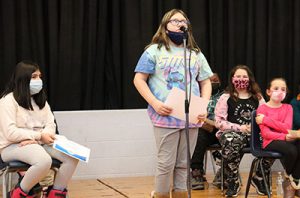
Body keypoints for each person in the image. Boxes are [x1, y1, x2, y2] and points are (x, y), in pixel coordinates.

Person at [133, 9, 213, 198]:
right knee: (166, 162)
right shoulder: (154, 51)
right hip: (165, 115)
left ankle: (180, 194)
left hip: (191, 116)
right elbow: (138, 79)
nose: (180, 24)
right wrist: (154, 103)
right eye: (175, 21)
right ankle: (160, 194)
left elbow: (206, 81)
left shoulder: (195, 53)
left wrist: (203, 106)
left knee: (185, 162)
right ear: (165, 25)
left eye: (183, 21)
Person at [0, 60, 79, 198]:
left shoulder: (40, 101)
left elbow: (50, 124)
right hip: (12, 146)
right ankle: (19, 193)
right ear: (23, 79)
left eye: (39, 76)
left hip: (39, 143)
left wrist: (40, 138)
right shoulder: (7, 101)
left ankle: (55, 193)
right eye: (34, 77)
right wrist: (38, 136)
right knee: (44, 161)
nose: (39, 80)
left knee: (72, 157)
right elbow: (10, 133)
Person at [214, 65, 273, 197]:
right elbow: (218, 122)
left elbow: (266, 117)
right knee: (231, 140)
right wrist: (240, 127)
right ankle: (233, 181)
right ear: (232, 79)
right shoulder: (225, 97)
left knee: (274, 140)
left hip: (254, 134)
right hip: (233, 134)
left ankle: (258, 176)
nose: (241, 79)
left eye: (244, 76)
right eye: (238, 76)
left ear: (250, 79)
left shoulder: (257, 97)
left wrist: (257, 126)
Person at [256, 77, 300, 197]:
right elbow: (266, 134)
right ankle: (291, 180)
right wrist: (284, 137)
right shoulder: (262, 108)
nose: (280, 91)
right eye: (276, 88)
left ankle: (293, 181)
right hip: (270, 141)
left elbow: (286, 126)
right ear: (268, 92)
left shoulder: (288, 107)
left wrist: (266, 120)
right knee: (292, 150)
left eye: (283, 89)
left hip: (285, 139)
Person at [190, 73, 223, 190]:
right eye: (210, 81)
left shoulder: (225, 97)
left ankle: (224, 171)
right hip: (204, 131)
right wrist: (203, 124)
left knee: (229, 136)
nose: (213, 83)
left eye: (216, 80)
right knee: (199, 134)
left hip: (221, 129)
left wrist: (211, 123)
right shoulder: (197, 97)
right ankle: (196, 172)